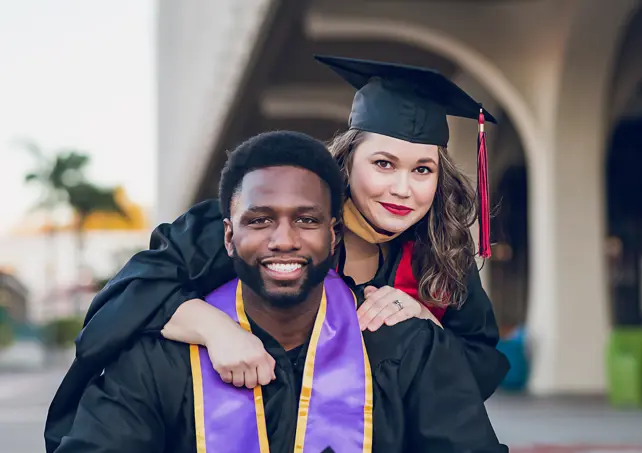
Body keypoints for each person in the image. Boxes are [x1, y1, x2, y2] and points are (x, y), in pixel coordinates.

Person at [46, 56, 509, 451]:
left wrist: (427, 329)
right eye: (383, 164)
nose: (403, 189)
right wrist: (216, 330)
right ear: (345, 162)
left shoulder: (439, 254)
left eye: (422, 169)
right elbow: (130, 296)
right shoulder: (253, 224)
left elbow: (477, 364)